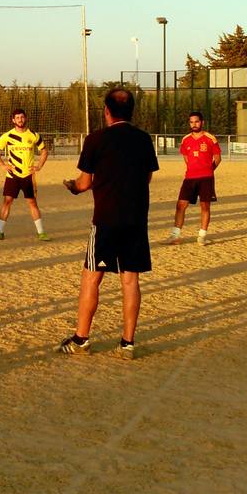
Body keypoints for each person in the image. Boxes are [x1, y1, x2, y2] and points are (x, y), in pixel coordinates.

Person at [57, 87, 158, 359]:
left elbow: (84, 182)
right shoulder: (144, 139)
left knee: (92, 277)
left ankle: (81, 339)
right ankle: (127, 343)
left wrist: (73, 187)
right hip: (136, 220)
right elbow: (147, 178)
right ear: (132, 111)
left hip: (106, 220)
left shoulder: (96, 139)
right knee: (130, 280)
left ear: (106, 111)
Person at [0, 110, 49, 241]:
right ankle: (0, 232)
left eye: (22, 117)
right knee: (7, 201)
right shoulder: (8, 135)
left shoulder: (33, 135)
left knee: (32, 202)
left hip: (28, 175)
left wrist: (39, 166)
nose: (20, 119)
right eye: (17, 117)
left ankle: (41, 232)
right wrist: (3, 165)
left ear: (25, 118)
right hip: (12, 175)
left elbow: (44, 151)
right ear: (13, 120)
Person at [165, 111, 222, 246]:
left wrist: (209, 170)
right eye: (191, 122)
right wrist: (193, 169)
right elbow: (186, 158)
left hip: (206, 178)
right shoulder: (186, 140)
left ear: (202, 122)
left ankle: (201, 236)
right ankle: (175, 236)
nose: (194, 124)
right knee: (180, 205)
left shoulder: (210, 138)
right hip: (190, 178)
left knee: (205, 206)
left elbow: (218, 159)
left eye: (196, 121)